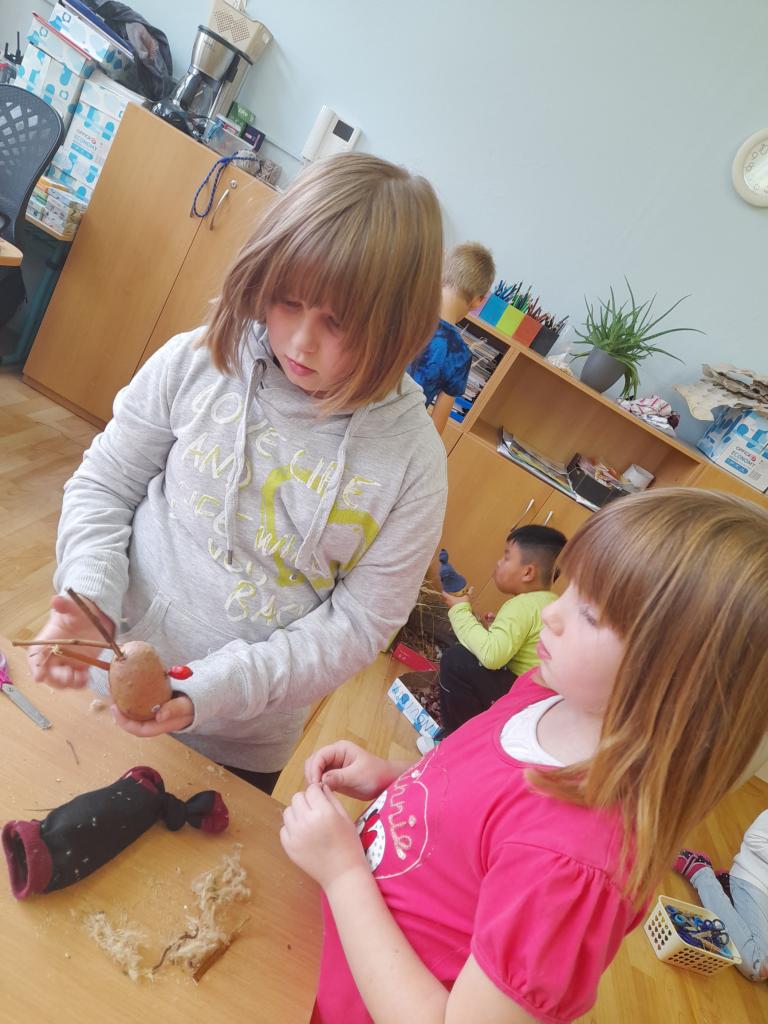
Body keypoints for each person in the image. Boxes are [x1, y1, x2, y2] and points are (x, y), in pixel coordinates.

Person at [26, 153, 448, 794]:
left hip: (237, 741)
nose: (300, 342)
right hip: (102, 672)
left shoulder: (413, 464)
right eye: (289, 302)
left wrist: (214, 689)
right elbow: (106, 481)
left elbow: (360, 625)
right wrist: (89, 595)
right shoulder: (199, 360)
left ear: (398, 331)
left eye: (337, 323)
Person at [279, 489, 768, 1023]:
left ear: (676, 684)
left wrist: (343, 874)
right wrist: (392, 776)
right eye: (568, 585)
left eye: (590, 612)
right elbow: (474, 796)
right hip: (322, 951)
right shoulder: (546, 690)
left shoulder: (575, 863)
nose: (551, 613)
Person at [439, 524, 566, 734]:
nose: (499, 562)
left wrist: (459, 609)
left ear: (527, 572)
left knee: (457, 661)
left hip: (523, 701)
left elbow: (491, 656)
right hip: (542, 703)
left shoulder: (521, 606)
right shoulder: (551, 602)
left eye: (507, 557)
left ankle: (455, 738)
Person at [408, 241, 495, 435]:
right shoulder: (460, 356)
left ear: (440, 274)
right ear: (479, 301)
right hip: (398, 441)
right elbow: (436, 427)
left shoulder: (404, 313)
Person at [675, 811, 768, 981]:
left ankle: (729, 897)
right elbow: (755, 838)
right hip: (755, 880)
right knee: (757, 965)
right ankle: (701, 872)